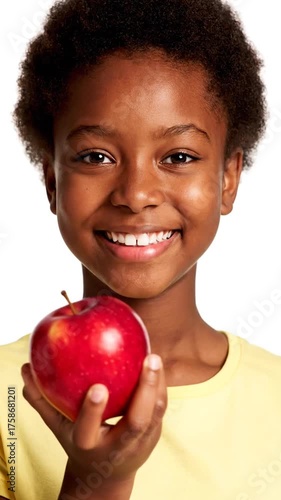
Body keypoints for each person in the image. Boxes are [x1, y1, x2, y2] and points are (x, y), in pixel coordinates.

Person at [1, 0, 281, 498]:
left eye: (178, 156)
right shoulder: (6, 398)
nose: (135, 194)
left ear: (228, 179)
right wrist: (100, 482)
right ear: (51, 180)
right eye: (95, 156)